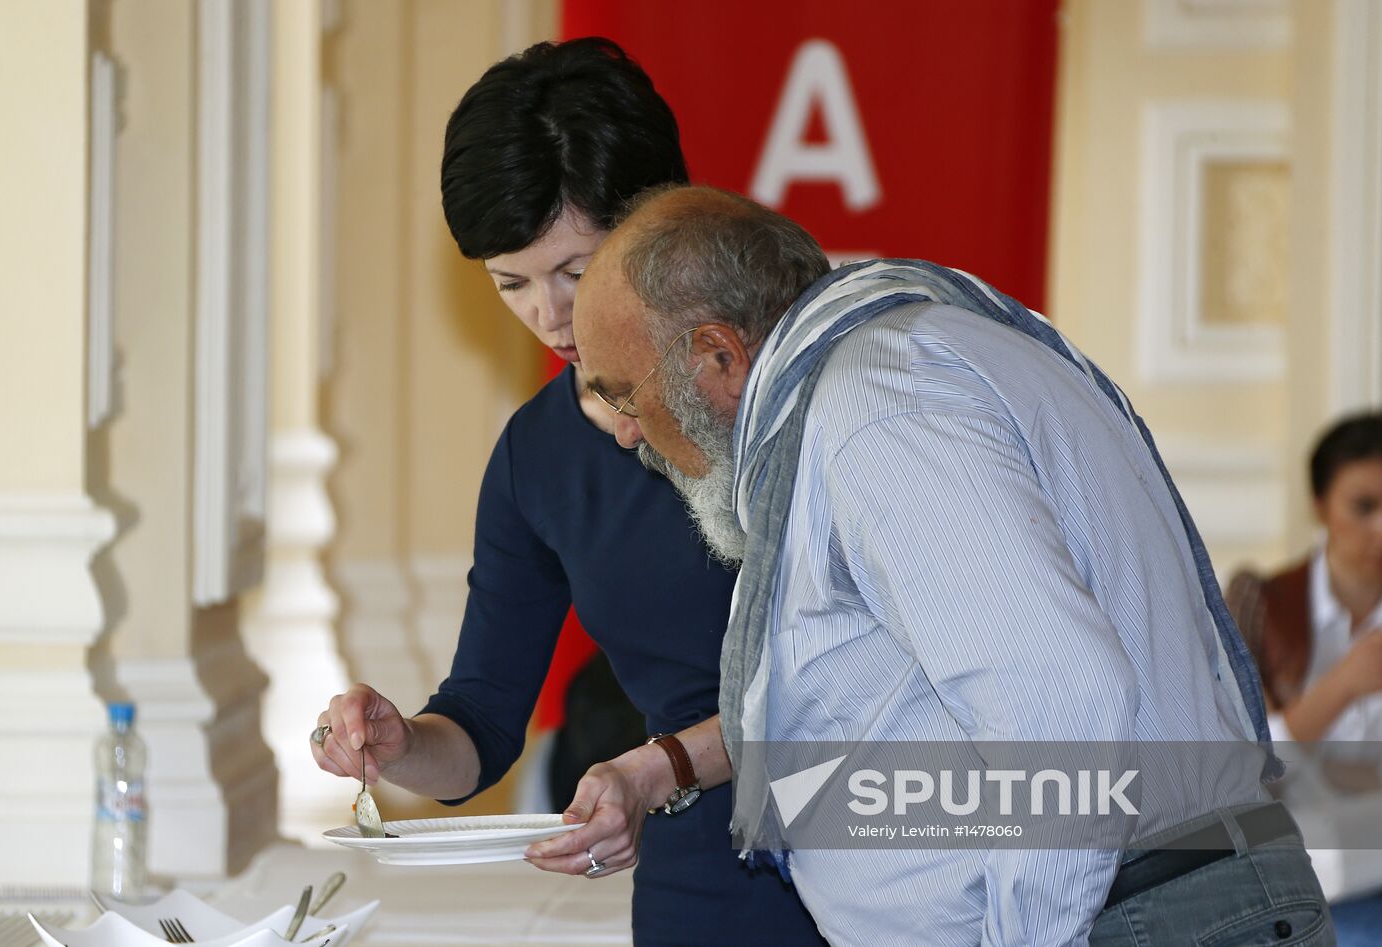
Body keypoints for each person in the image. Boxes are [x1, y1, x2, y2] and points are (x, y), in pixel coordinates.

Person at [566, 184, 1333, 945]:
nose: (629, 434)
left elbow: (1060, 699)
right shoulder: (905, 361)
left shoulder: (875, 406)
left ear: (716, 354)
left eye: (625, 394)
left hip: (1135, 913)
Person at [309, 41, 823, 946]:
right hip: (701, 885)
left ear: (665, 225)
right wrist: (400, 744)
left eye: (575, 272)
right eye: (511, 282)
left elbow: (853, 677)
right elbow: (480, 722)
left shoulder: (800, 394)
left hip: (884, 854)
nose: (549, 316)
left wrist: (664, 763)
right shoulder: (539, 457)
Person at [1227, 412, 1382, 944]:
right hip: (1299, 868)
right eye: (1364, 507)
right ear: (1320, 506)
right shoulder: (1261, 604)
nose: (1381, 528)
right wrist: (1342, 687)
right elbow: (1249, 767)